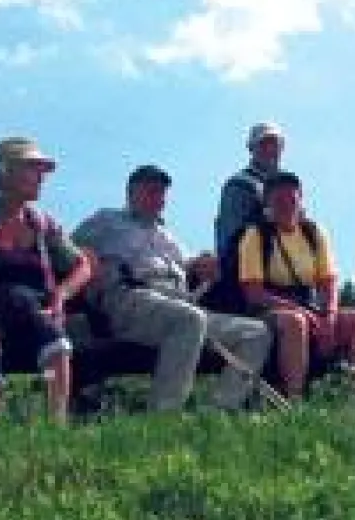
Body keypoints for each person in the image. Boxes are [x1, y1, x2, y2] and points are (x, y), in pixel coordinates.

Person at [73, 164, 272, 412]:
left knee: (256, 332)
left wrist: (202, 266)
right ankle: (165, 413)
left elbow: (191, 267)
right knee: (190, 319)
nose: (158, 198)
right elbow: (68, 250)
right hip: (130, 299)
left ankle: (220, 409)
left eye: (162, 192)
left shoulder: (169, 237)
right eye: (150, 190)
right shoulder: (106, 220)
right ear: (131, 193)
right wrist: (89, 264)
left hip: (180, 304)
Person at [0, 137, 94, 424]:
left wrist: (60, 296)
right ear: (6, 172)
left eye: (42, 171)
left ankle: (56, 429)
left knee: (56, 340)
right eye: (32, 169)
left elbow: (83, 265)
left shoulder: (43, 224)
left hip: (34, 320)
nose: (41, 178)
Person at [237, 170, 355, 400]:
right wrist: (304, 313)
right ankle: (294, 398)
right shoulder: (255, 236)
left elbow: (328, 282)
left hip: (309, 306)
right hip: (268, 309)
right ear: (267, 203)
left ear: (300, 200)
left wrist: (329, 316)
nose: (287, 206)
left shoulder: (313, 232)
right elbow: (254, 293)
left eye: (292, 200)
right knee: (295, 321)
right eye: (279, 201)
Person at [215, 122, 286, 262]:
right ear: (252, 149)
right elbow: (231, 237)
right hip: (251, 267)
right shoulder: (238, 185)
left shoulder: (288, 187)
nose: (270, 149)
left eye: (275, 145)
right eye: (263, 144)